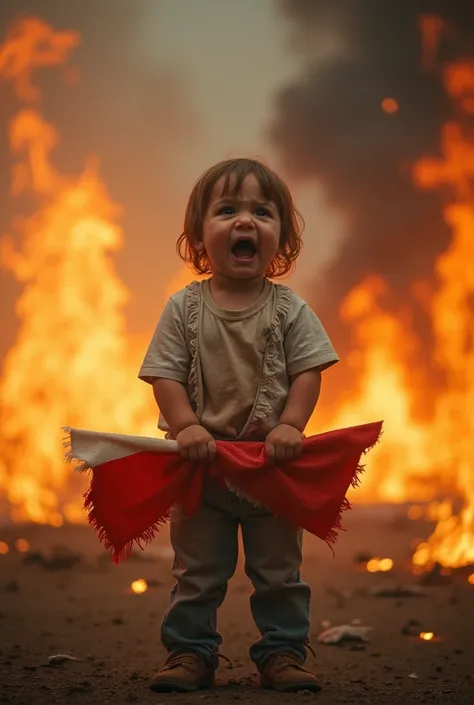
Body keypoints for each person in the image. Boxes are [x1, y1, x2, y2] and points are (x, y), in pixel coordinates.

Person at [138, 157, 339, 693]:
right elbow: (164, 374)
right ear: (199, 236)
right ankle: (190, 653)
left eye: (262, 212)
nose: (245, 221)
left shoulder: (290, 310)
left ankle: (281, 653)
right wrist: (185, 427)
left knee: (278, 574)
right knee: (197, 573)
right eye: (227, 210)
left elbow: (308, 371)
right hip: (201, 470)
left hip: (271, 472)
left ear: (283, 242)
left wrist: (291, 425)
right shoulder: (183, 309)